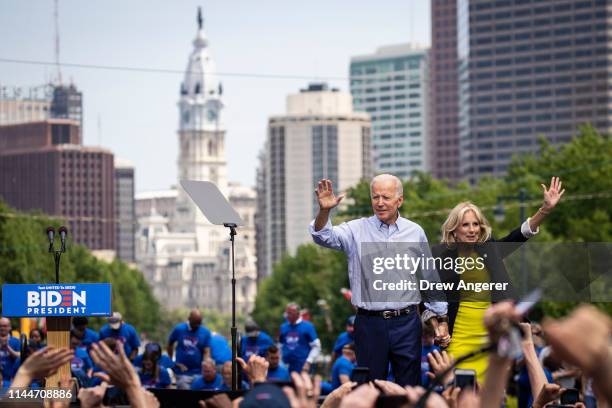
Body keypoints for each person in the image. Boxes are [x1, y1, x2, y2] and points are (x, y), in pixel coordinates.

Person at [310, 175, 448, 386]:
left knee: (409, 389)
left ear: (399, 200)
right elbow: (322, 235)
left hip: (407, 323)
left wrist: (441, 319)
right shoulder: (355, 230)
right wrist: (325, 210)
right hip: (369, 324)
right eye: (375, 197)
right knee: (369, 389)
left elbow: (430, 278)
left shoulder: (415, 231)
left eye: (386, 197)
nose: (380, 202)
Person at [433, 177, 564, 384]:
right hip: (458, 335)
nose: (472, 229)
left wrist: (545, 210)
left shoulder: (489, 249)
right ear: (454, 230)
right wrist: (439, 326)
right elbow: (431, 296)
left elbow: (517, 236)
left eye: (475, 224)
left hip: (490, 335)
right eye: (465, 225)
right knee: (460, 392)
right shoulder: (442, 257)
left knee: (489, 393)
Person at [167, 308, 211, 389]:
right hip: (182, 372)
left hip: (198, 372)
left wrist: (206, 364)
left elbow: (206, 351)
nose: (197, 326)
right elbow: (170, 344)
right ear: (189, 319)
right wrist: (172, 362)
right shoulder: (179, 329)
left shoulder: (205, 332)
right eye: (194, 323)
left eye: (199, 323)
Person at [279, 303, 321, 373]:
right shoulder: (283, 327)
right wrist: (280, 361)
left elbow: (316, 346)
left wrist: (308, 362)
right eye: (287, 313)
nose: (287, 316)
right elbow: (280, 345)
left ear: (298, 314)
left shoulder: (308, 326)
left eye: (290, 313)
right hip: (286, 367)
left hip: (302, 367)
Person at [0, 318, 20, 384]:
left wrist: (7, 347)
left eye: (5, 326)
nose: (2, 328)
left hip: (11, 380)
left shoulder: (16, 341)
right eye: (0, 326)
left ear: (10, 327)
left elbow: (20, 356)